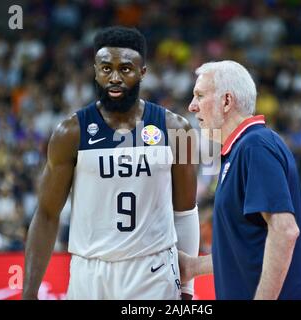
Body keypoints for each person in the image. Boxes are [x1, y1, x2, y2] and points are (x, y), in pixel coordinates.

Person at [22, 26, 200, 300]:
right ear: (95, 70)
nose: (115, 77)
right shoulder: (70, 133)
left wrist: (187, 289)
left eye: (125, 69)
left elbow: (185, 212)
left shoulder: (177, 129)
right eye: (106, 68)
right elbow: (46, 213)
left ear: (142, 72)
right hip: (89, 270)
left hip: (152, 269)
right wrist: (29, 292)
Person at [181, 60, 301, 300]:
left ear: (226, 101)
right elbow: (249, 248)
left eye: (199, 95)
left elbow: (284, 230)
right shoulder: (243, 148)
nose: (192, 106)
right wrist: (193, 267)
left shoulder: (254, 146)